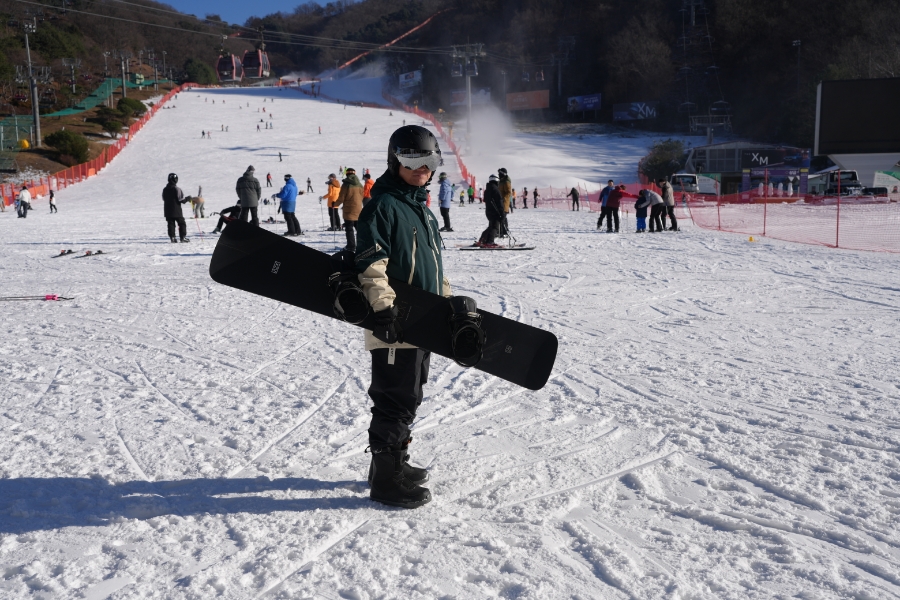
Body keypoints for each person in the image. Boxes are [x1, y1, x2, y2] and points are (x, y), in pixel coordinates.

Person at [354, 124, 452, 508]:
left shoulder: (422, 211)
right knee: (395, 399)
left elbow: (434, 267)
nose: (423, 169)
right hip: (394, 322)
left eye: (429, 162)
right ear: (395, 161)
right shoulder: (384, 205)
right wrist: (384, 308)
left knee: (410, 395)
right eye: (413, 161)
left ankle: (394, 462)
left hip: (423, 321)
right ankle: (386, 480)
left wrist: (444, 304)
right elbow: (371, 262)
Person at [335, 167, 364, 251]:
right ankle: (362, 245)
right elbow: (362, 196)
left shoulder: (346, 185)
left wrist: (335, 204)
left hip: (349, 210)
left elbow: (341, 198)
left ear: (347, 174)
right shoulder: (360, 185)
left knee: (349, 228)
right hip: (358, 209)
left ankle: (351, 246)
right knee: (359, 229)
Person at [477, 174, 504, 247]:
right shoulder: (495, 190)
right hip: (495, 212)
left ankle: (482, 240)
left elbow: (485, 199)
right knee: (494, 227)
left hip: (488, 211)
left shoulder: (487, 189)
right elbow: (499, 202)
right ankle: (490, 242)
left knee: (491, 226)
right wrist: (502, 213)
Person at [162, 173, 190, 242]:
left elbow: (163, 198)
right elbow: (182, 200)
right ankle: (182, 237)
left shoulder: (165, 189)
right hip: (176, 210)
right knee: (181, 223)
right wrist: (188, 198)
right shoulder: (177, 189)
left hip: (167, 210)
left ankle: (172, 237)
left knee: (170, 224)